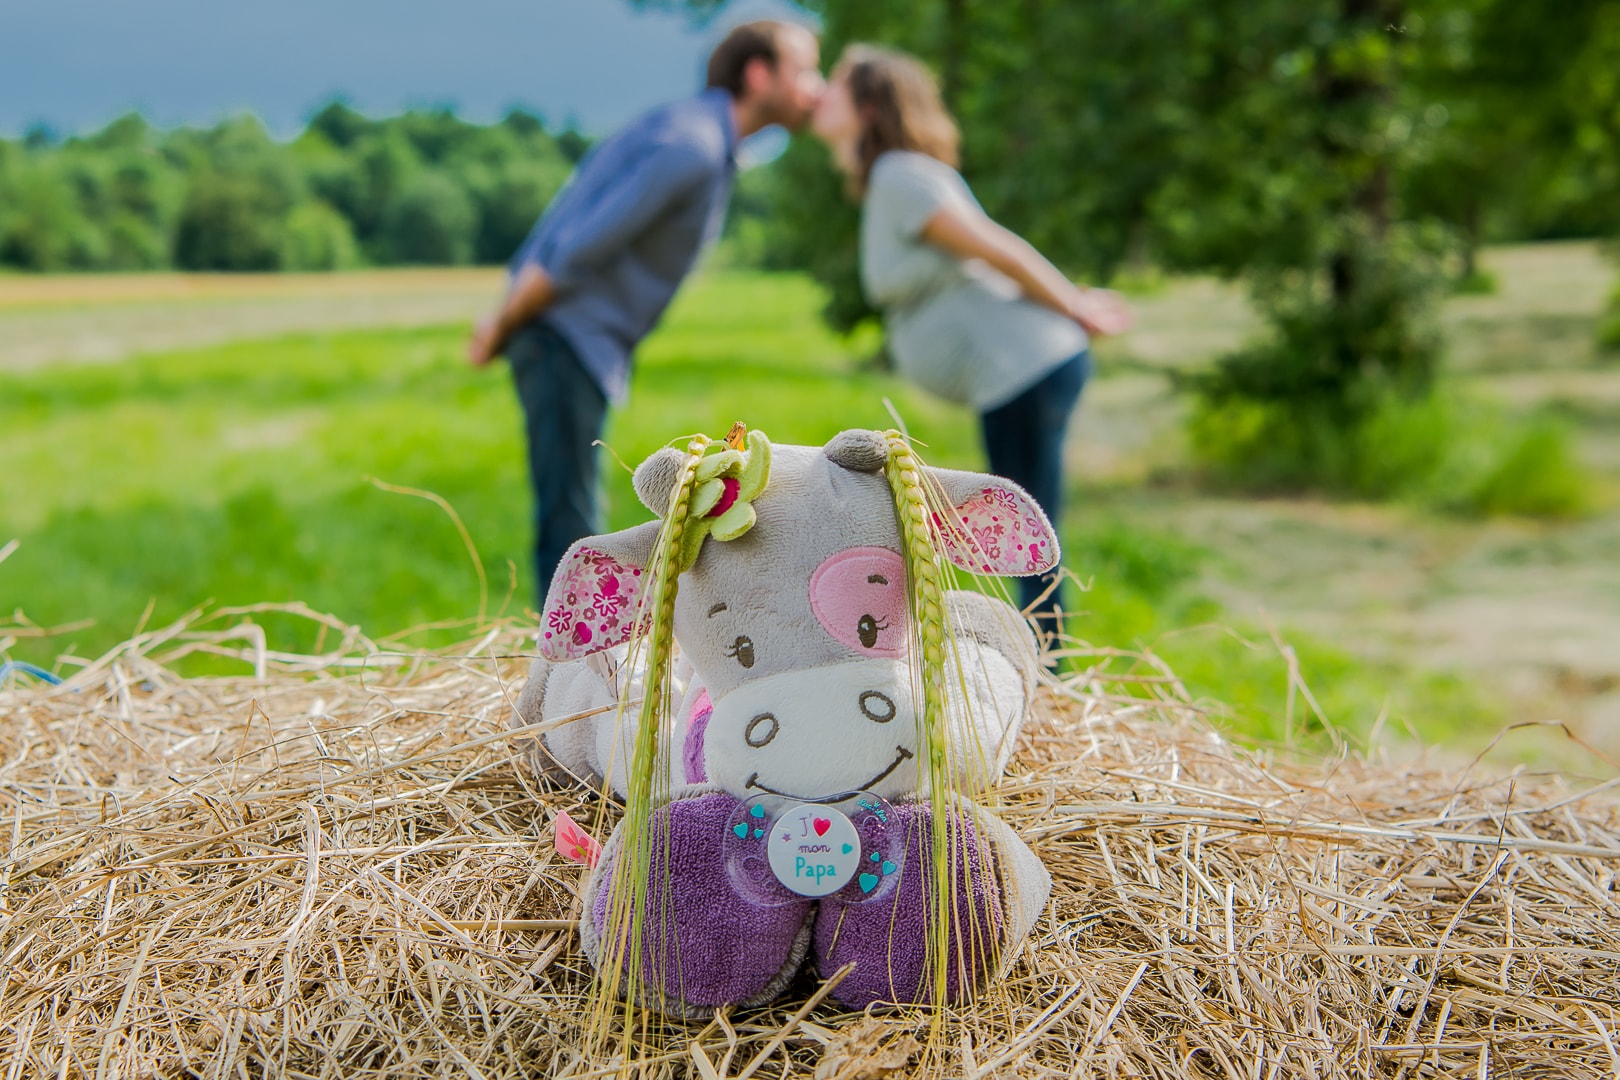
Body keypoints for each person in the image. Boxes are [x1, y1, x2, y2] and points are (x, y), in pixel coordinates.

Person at [468, 21, 824, 605]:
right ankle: (571, 654)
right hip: (563, 334)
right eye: (805, 70)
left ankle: (578, 646)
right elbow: (576, 247)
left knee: (569, 509)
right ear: (759, 75)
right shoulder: (692, 147)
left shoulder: (694, 135)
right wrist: (500, 325)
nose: (817, 87)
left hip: (571, 337)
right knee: (569, 521)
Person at [810, 44, 1131, 635]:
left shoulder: (898, 173)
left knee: (1026, 535)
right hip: (1016, 373)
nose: (820, 94)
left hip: (1023, 369)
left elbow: (993, 246)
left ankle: (1051, 667)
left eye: (835, 84)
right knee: (1024, 530)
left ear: (869, 107)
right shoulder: (896, 177)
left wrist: (1075, 305)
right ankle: (1049, 662)